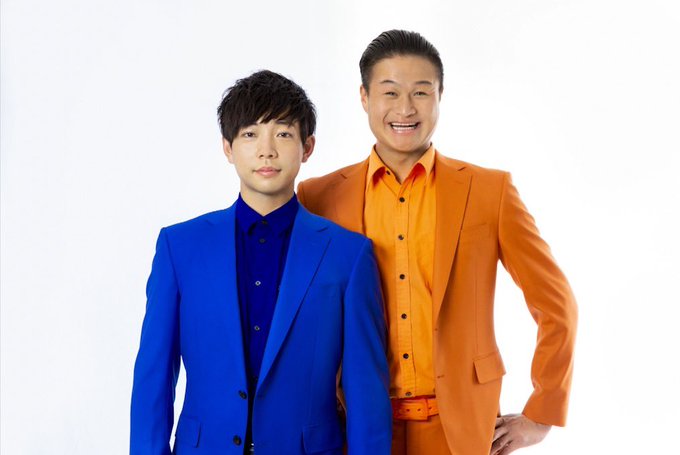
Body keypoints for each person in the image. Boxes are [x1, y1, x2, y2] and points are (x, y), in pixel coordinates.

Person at [297, 30, 577, 455]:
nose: (405, 109)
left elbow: (556, 304)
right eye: (390, 92)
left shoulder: (490, 191)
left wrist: (543, 411)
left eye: (421, 92)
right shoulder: (318, 198)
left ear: (440, 96)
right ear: (364, 97)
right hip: (356, 425)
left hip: (461, 426)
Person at [130, 70, 392, 455]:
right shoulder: (180, 247)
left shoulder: (348, 255)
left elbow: (366, 393)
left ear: (307, 147)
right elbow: (153, 377)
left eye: (283, 134)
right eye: (250, 134)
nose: (266, 150)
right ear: (227, 147)